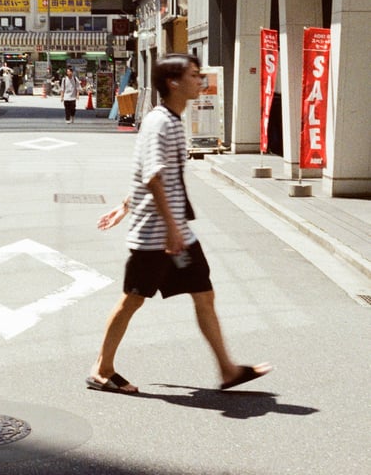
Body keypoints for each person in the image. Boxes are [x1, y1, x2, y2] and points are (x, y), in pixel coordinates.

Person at [86, 54, 271, 395]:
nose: (200, 81)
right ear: (173, 82)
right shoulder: (162, 122)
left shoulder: (167, 119)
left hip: (175, 233)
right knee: (132, 300)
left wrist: (125, 206)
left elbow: (153, 173)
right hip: (157, 237)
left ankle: (228, 370)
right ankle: (102, 369)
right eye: (194, 75)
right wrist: (170, 227)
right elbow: (154, 176)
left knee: (204, 294)